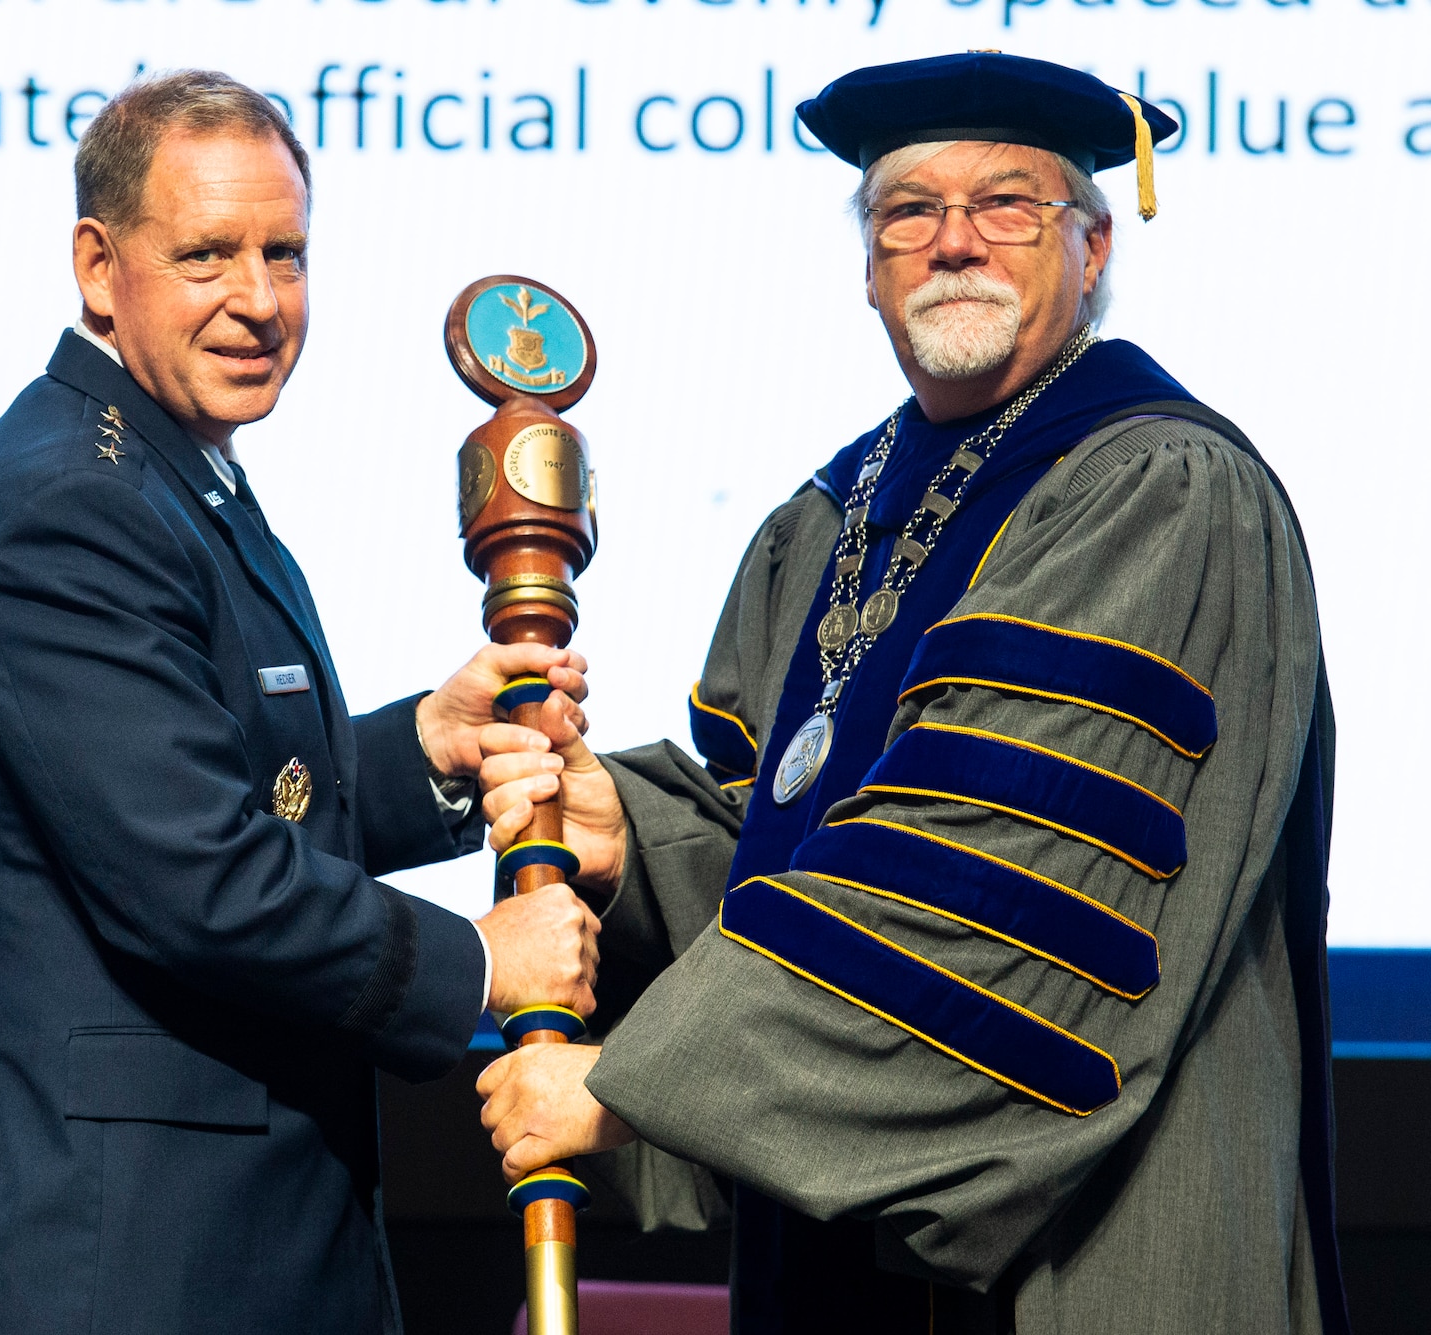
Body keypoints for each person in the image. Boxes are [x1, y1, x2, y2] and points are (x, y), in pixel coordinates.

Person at [474, 53, 1346, 1334]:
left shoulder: (1157, 488)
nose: (951, 244)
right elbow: (793, 851)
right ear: (866, 259)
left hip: (1086, 1254)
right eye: (906, 212)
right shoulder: (824, 520)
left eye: (1006, 205)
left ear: (1092, 247)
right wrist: (629, 839)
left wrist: (629, 1088)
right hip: (827, 1266)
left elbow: (989, 886)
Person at [0, 69, 599, 1334]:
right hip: (122, 1262)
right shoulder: (71, 506)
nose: (261, 302)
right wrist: (480, 961)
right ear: (98, 267)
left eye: (286, 253)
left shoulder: (166, 466)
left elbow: (227, 780)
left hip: (223, 1239)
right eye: (207, 255)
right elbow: (195, 882)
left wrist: (425, 750)